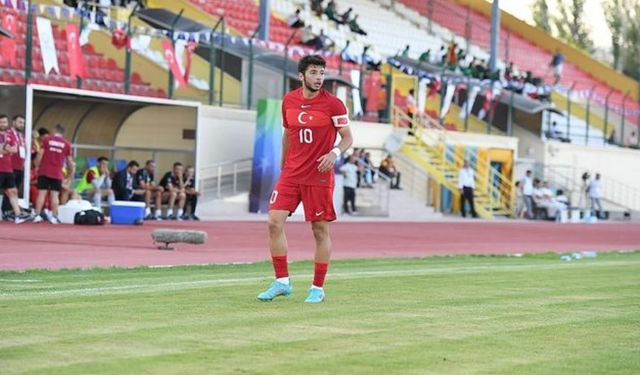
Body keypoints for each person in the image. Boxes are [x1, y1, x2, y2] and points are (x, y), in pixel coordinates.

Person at [256, 55, 353, 304]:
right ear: (301, 76)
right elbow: (287, 135)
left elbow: (347, 138)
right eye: (313, 72)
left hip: (318, 175)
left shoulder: (334, 104)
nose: (319, 77)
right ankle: (281, 282)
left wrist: (334, 153)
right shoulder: (289, 101)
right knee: (273, 222)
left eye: (321, 72)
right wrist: (283, 166)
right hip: (291, 173)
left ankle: (317, 288)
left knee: (319, 230)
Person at [33, 124, 75, 224]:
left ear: (54, 130)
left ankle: (37, 215)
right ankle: (54, 217)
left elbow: (40, 154)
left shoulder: (47, 140)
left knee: (41, 194)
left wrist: (37, 165)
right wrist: (70, 172)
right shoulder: (67, 144)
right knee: (54, 195)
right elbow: (70, 161)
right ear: (63, 132)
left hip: (44, 171)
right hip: (57, 173)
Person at [0, 114, 31, 223]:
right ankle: (7, 212)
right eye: (1, 122)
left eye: (4, 122)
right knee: (9, 191)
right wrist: (6, 148)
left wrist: (5, 148)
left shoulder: (13, 136)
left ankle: (17, 215)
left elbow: (14, 150)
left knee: (13, 191)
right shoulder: (8, 134)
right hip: (3, 167)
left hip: (9, 168)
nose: (3, 124)